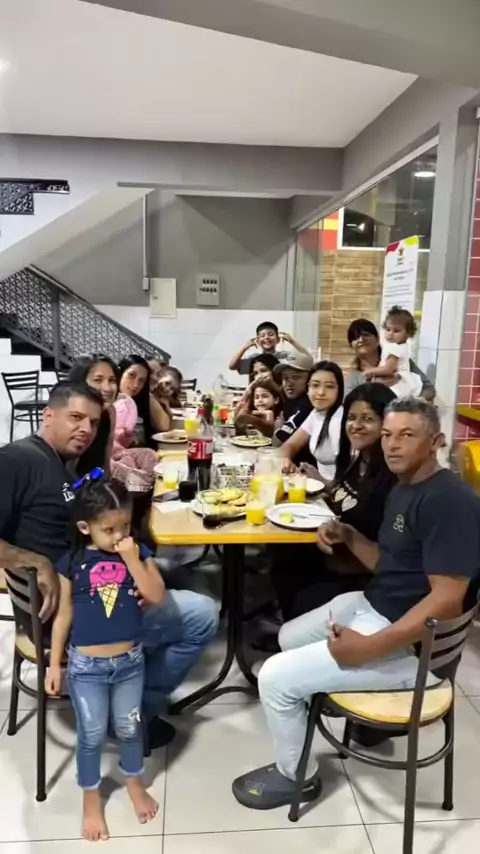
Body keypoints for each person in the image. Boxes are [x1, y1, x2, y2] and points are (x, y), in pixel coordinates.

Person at [232, 398, 480, 810]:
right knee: (288, 636)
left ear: (436, 441)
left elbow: (448, 598)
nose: (392, 444)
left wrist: (367, 647)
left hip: (415, 651)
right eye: (389, 435)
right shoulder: (405, 487)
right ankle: (319, 692)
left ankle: (297, 778)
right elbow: (388, 564)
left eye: (406, 435)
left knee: (274, 676)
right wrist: (348, 535)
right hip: (377, 606)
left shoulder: (447, 501)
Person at [0, 382, 218, 747]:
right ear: (48, 415)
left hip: (92, 589)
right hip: (73, 615)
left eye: (93, 422)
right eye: (75, 417)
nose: (85, 428)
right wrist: (33, 560)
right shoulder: (17, 460)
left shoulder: (61, 464)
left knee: (172, 576)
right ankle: (131, 712)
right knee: (204, 614)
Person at [46, 478, 164, 841]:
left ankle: (134, 783)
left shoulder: (136, 552)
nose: (119, 536)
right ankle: (91, 800)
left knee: (130, 727)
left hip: (129, 662)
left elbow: (156, 595)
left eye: (124, 526)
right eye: (109, 530)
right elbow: (63, 614)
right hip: (86, 668)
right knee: (92, 734)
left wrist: (131, 557)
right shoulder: (72, 561)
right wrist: (54, 664)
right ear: (86, 528)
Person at [270, 383, 397, 622]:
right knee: (282, 558)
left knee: (296, 580)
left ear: (387, 423)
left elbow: (385, 553)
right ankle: (291, 626)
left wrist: (344, 543)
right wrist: (324, 484)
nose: (356, 425)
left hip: (358, 572)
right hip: (335, 552)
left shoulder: (390, 476)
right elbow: (350, 497)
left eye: (367, 419)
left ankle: (300, 630)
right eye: (351, 418)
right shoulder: (359, 460)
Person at [281, 361, 344, 484]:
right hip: (319, 487)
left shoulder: (342, 418)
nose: (321, 392)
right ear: (308, 388)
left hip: (337, 491)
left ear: (339, 390)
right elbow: (290, 445)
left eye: (329, 386)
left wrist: (321, 480)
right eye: (315, 385)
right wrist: (286, 459)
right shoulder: (316, 414)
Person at [344, 318, 435, 400]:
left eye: (366, 335)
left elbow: (429, 389)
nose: (361, 340)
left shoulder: (399, 360)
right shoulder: (354, 377)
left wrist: (402, 381)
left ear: (377, 338)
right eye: (355, 337)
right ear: (351, 345)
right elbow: (349, 403)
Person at [68, 354, 120, 476]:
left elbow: (105, 462)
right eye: (98, 380)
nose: (107, 388)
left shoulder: (110, 412)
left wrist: (106, 483)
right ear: (80, 383)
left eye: (112, 380)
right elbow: (65, 469)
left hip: (93, 481)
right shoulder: (71, 418)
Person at [363, 306, 422, 397]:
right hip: (402, 382)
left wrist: (370, 371)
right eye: (388, 329)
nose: (390, 334)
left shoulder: (395, 348)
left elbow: (388, 369)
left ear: (409, 333)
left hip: (397, 383)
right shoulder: (399, 346)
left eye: (396, 331)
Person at [271, 354, 314, 467]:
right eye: (285, 378)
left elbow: (276, 442)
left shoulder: (306, 404)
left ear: (310, 380)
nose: (289, 383)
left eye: (295, 377)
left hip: (304, 470)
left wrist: (278, 428)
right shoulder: (291, 401)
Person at [229, 321, 310, 376]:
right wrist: (245, 347)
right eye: (262, 335)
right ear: (258, 341)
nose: (266, 338)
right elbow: (232, 366)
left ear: (278, 339)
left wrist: (292, 341)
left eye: (270, 334)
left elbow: (308, 359)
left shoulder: (285, 356)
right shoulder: (254, 358)